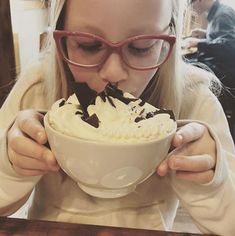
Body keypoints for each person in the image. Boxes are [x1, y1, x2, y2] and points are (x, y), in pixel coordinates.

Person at [0, 0, 235, 235]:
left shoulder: (194, 102)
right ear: (61, 38)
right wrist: (10, 165)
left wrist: (213, 183)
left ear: (167, 42)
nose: (113, 73)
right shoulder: (36, 91)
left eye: (142, 47)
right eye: (88, 45)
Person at [183, 0, 235, 139]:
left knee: (186, 70)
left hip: (225, 72)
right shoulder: (220, 13)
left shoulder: (222, 15)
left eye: (191, 4)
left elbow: (230, 46)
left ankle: (199, 116)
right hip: (222, 66)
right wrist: (204, 34)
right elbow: (222, 37)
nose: (192, 8)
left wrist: (199, 43)